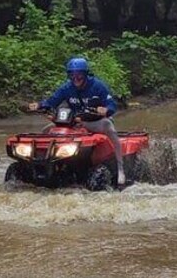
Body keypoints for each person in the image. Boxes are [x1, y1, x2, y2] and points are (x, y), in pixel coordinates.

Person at [28, 57, 125, 186]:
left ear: (85, 74)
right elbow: (51, 102)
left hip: (95, 122)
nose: (76, 79)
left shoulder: (97, 86)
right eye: (72, 75)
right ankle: (45, 167)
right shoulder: (67, 88)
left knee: (108, 125)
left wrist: (105, 110)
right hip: (73, 123)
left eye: (79, 75)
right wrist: (39, 105)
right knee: (46, 130)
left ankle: (120, 168)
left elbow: (111, 105)